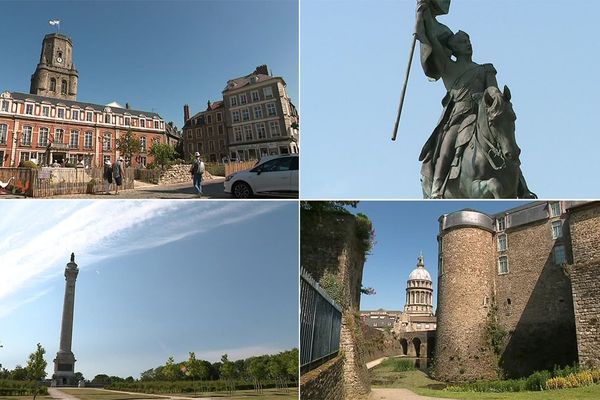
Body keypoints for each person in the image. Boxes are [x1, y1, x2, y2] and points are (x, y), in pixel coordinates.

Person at [415, 0, 535, 198]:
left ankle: (522, 186)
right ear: (453, 48)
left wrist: (496, 96)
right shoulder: (448, 68)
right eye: (462, 42)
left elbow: (492, 87)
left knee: (505, 140)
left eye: (469, 41)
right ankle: (437, 188)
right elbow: (431, 43)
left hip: (482, 113)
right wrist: (422, 15)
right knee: (447, 142)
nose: (468, 44)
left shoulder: (485, 68)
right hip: (458, 117)